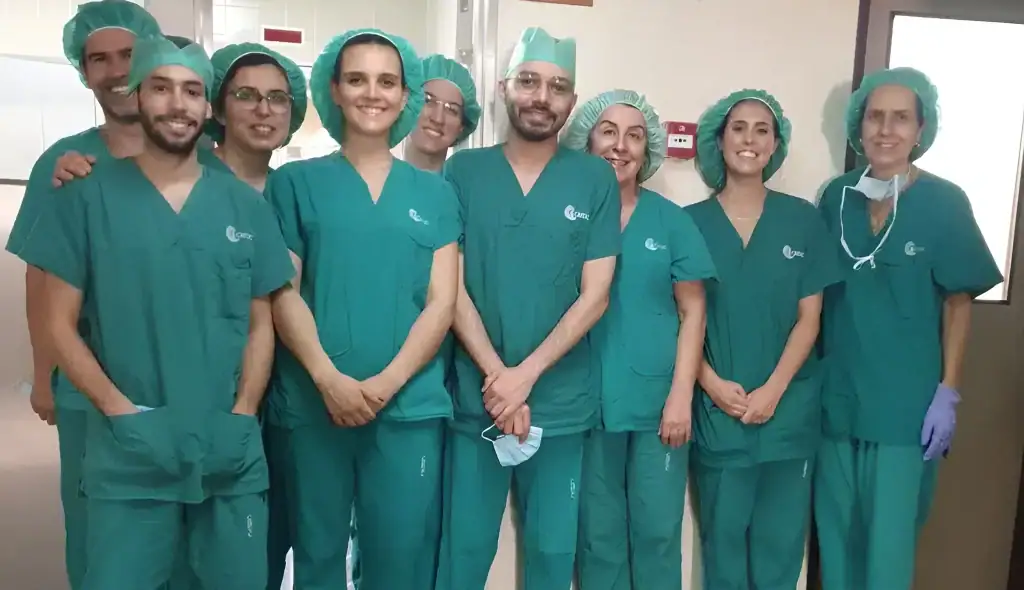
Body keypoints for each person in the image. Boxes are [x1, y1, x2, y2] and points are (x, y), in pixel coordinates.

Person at [15, 36, 294, 589]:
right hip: (130, 454)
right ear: (138, 95)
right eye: (161, 88)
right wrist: (120, 412)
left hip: (226, 449)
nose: (177, 104)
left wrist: (243, 413)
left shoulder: (243, 205)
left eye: (191, 90)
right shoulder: (86, 195)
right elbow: (58, 324)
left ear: (208, 106)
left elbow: (261, 323)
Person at [264, 28, 458, 590]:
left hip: (406, 408)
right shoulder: (295, 184)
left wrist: (386, 385)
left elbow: (442, 302)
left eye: (387, 81)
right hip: (314, 404)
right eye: (357, 79)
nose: (373, 93)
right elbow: (283, 292)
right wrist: (329, 381)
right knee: (317, 554)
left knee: (398, 560)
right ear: (334, 89)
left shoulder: (435, 194)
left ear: (405, 95)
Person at [434, 27, 620, 590]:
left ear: (572, 100)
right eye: (529, 81)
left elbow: (596, 294)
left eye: (558, 87)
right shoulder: (463, 172)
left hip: (559, 404)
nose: (542, 97)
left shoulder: (594, 178)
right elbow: (450, 286)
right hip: (479, 401)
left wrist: (525, 377)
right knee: (464, 552)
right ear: (504, 87)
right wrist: (500, 378)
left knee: (552, 553)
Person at [814, 67, 1002, 590]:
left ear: (921, 129)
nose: (885, 129)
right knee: (838, 540)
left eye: (900, 118)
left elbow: (959, 302)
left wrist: (948, 392)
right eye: (875, 116)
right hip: (838, 401)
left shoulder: (944, 203)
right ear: (859, 125)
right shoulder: (837, 198)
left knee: (888, 551)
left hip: (905, 410)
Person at [3, 3, 161, 588]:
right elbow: (40, 278)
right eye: (100, 59)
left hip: (178, 379)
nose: (117, 70)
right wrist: (45, 375)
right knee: (97, 533)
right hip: (86, 386)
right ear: (83, 71)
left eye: (129, 55)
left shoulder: (194, 154)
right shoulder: (64, 164)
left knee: (175, 532)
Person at [684, 89, 842, 590]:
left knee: (779, 552)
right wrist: (710, 384)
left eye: (761, 130)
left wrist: (773, 391)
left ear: (776, 145)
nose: (749, 139)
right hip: (719, 416)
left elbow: (810, 319)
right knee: (723, 548)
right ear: (720, 140)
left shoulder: (802, 220)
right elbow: (680, 319)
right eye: (738, 128)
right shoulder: (689, 224)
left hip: (787, 415)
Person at [561, 89, 715, 590]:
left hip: (657, 408)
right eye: (608, 132)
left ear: (647, 149)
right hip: (584, 404)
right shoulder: (569, 220)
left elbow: (693, 311)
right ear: (586, 141)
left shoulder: (672, 221)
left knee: (656, 533)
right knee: (597, 536)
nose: (620, 146)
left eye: (633, 136)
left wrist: (681, 397)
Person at [347, 51, 481, 590]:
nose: (439, 115)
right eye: (429, 99)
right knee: (361, 522)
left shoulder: (463, 190)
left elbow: (455, 293)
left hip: (437, 381)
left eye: (453, 108)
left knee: (419, 519)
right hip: (359, 373)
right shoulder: (355, 180)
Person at [402, 54, 481, 172]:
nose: (438, 119)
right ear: (407, 103)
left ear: (462, 127)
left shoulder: (467, 184)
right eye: (428, 100)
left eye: (452, 110)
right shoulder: (376, 179)